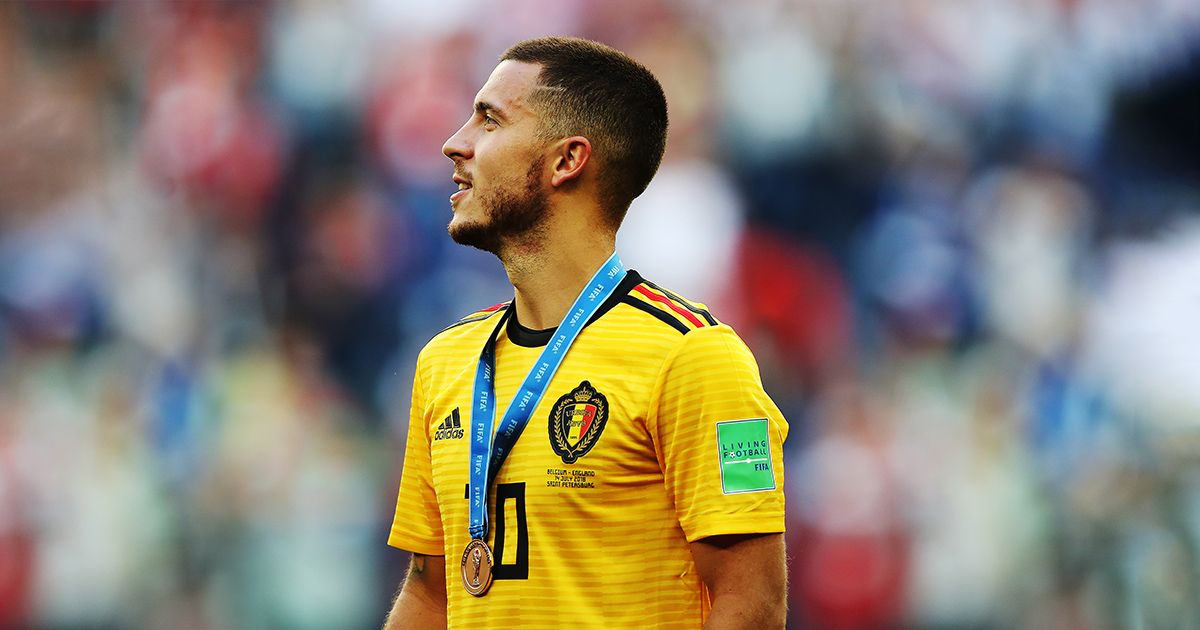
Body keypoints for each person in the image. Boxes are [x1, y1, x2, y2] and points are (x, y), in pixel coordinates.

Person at [383, 36, 788, 629]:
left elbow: (752, 604)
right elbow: (430, 594)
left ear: (566, 160)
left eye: (489, 120)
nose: (454, 143)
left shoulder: (697, 357)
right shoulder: (446, 362)